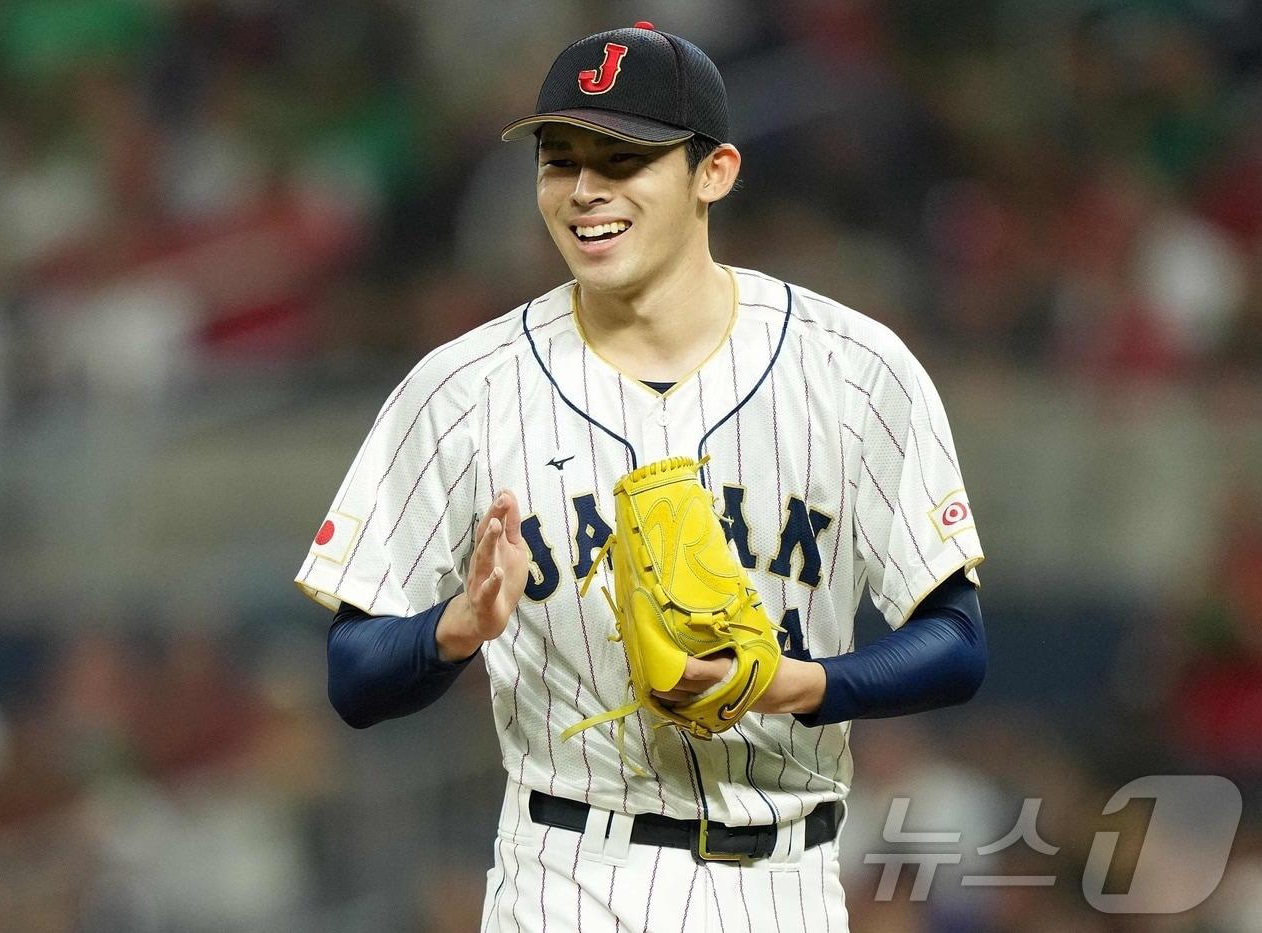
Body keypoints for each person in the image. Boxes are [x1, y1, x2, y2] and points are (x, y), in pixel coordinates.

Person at [295, 22, 987, 932]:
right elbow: (354, 675)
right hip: (569, 873)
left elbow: (956, 642)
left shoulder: (855, 368)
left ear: (715, 172)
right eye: (560, 160)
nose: (584, 191)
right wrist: (455, 627)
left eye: (623, 161)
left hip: (792, 881)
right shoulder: (462, 388)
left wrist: (798, 683)